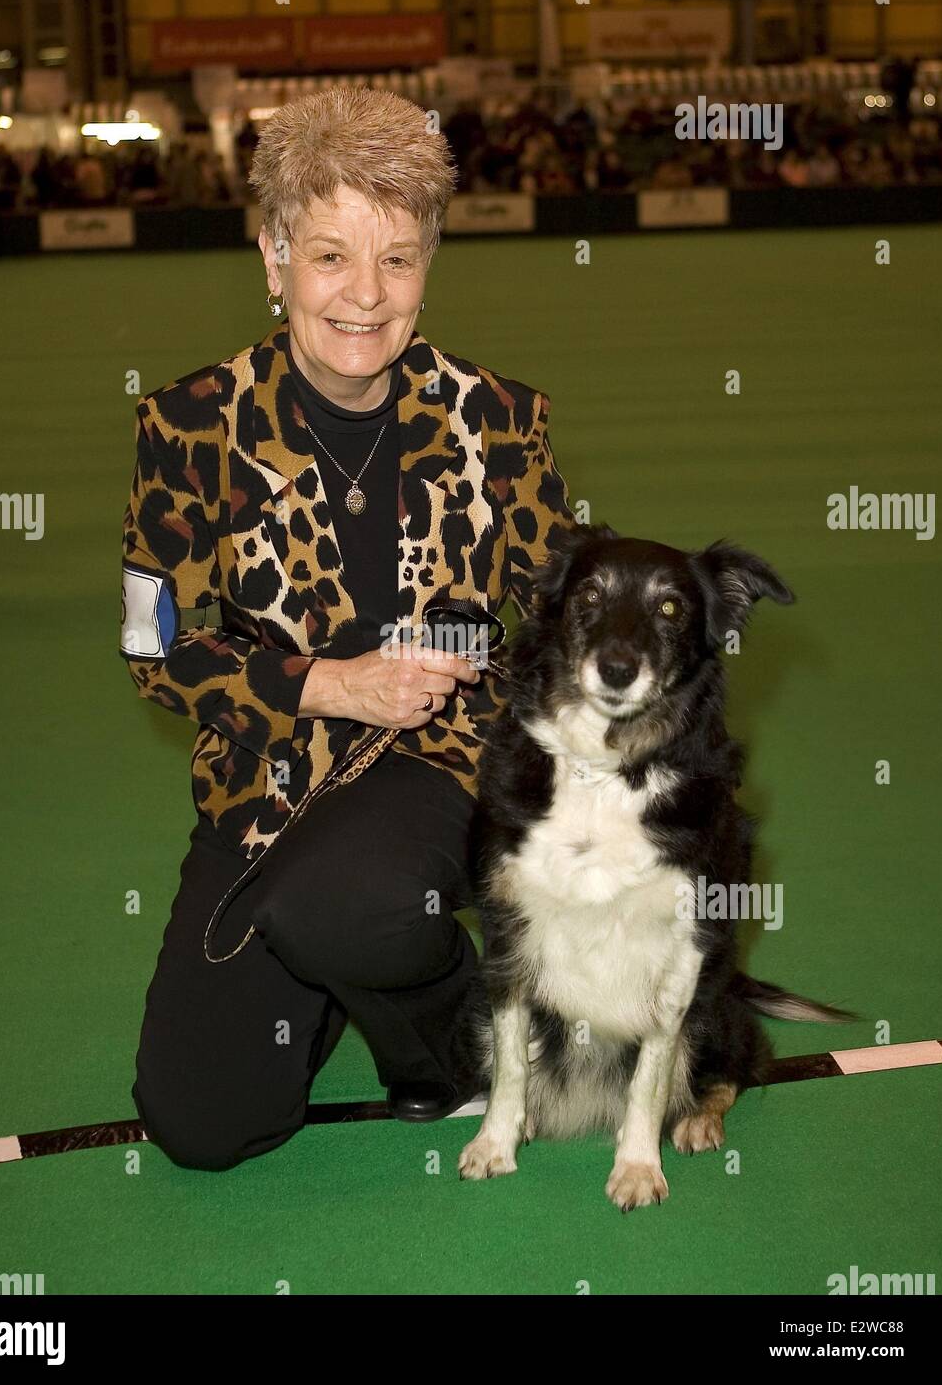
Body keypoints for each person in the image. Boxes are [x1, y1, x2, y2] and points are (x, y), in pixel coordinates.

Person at [120, 86, 578, 1172]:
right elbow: (159, 653)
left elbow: (553, 621)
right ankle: (338, 967)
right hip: (269, 781)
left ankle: (453, 1046)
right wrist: (333, 683)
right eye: (330, 257)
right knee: (202, 1122)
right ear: (273, 256)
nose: (366, 297)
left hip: (445, 772)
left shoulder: (497, 420)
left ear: (428, 263)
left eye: (399, 260)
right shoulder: (187, 426)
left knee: (351, 900)